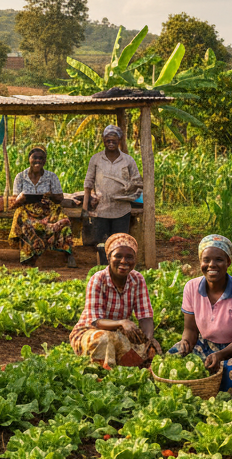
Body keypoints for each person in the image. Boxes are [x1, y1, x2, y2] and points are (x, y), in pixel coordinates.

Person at [169, 234, 232, 394]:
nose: (211, 265)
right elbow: (190, 329)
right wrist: (186, 343)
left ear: (228, 262)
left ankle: (223, 402)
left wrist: (220, 355)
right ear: (200, 261)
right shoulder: (191, 287)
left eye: (219, 260)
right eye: (206, 259)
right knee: (172, 358)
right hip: (204, 344)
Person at [70, 233, 159, 368]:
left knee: (152, 351)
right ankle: (103, 374)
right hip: (90, 332)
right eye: (118, 256)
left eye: (129, 257)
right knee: (105, 339)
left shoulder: (137, 279)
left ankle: (122, 367)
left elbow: (145, 316)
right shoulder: (98, 279)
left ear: (135, 260)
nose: (124, 261)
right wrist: (121, 322)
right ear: (109, 257)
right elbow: (96, 321)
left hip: (119, 333)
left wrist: (148, 340)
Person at [83, 124, 142, 266]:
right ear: (103, 140)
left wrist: (130, 188)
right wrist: (86, 206)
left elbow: (137, 182)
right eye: (108, 140)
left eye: (114, 140)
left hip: (121, 209)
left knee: (119, 241)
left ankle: (117, 268)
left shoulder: (128, 160)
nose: (111, 143)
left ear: (119, 141)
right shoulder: (96, 159)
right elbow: (88, 182)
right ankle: (103, 268)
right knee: (101, 242)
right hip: (101, 209)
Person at [9, 145, 76, 267]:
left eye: (41, 158)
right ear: (29, 159)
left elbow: (60, 197)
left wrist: (50, 196)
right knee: (22, 218)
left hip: (47, 209)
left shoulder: (51, 176)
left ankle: (68, 253)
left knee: (63, 220)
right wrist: (21, 198)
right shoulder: (20, 177)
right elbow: (13, 201)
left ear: (45, 161)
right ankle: (30, 254)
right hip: (27, 209)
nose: (38, 160)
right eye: (35, 157)